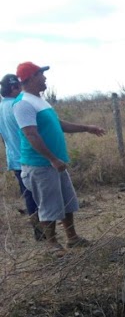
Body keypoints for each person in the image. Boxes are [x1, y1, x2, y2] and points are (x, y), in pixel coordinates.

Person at [12, 62, 105, 255]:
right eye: (40, 74)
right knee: (49, 205)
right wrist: (52, 159)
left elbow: (59, 124)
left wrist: (87, 128)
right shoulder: (23, 103)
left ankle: (72, 238)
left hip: (54, 163)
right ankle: (52, 244)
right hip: (40, 165)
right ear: (30, 78)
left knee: (66, 201)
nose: (45, 78)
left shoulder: (40, 100)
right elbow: (31, 135)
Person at [0, 73, 44, 241]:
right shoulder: (18, 106)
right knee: (39, 198)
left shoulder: (1, 107)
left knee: (29, 197)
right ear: (14, 88)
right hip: (29, 159)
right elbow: (31, 133)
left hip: (14, 159)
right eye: (19, 87)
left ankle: (39, 233)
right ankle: (44, 233)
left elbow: (3, 138)